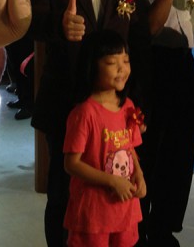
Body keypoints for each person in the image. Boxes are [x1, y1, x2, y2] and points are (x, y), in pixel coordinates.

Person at [27, 0, 153, 247]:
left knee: (117, 178)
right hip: (66, 98)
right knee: (64, 191)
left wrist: (135, 99)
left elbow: (138, 36)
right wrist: (59, 27)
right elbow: (29, 25)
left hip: (114, 103)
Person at [122, 0, 194, 247]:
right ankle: (137, 230)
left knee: (179, 153)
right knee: (148, 151)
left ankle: (164, 230)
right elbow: (145, 30)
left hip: (184, 62)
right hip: (149, 65)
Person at [63, 29, 147, 247]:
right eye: (111, 63)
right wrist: (112, 181)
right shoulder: (85, 113)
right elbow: (72, 164)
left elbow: (129, 147)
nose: (122, 69)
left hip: (124, 208)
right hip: (94, 214)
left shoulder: (127, 107)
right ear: (92, 66)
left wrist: (138, 174)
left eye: (126, 61)